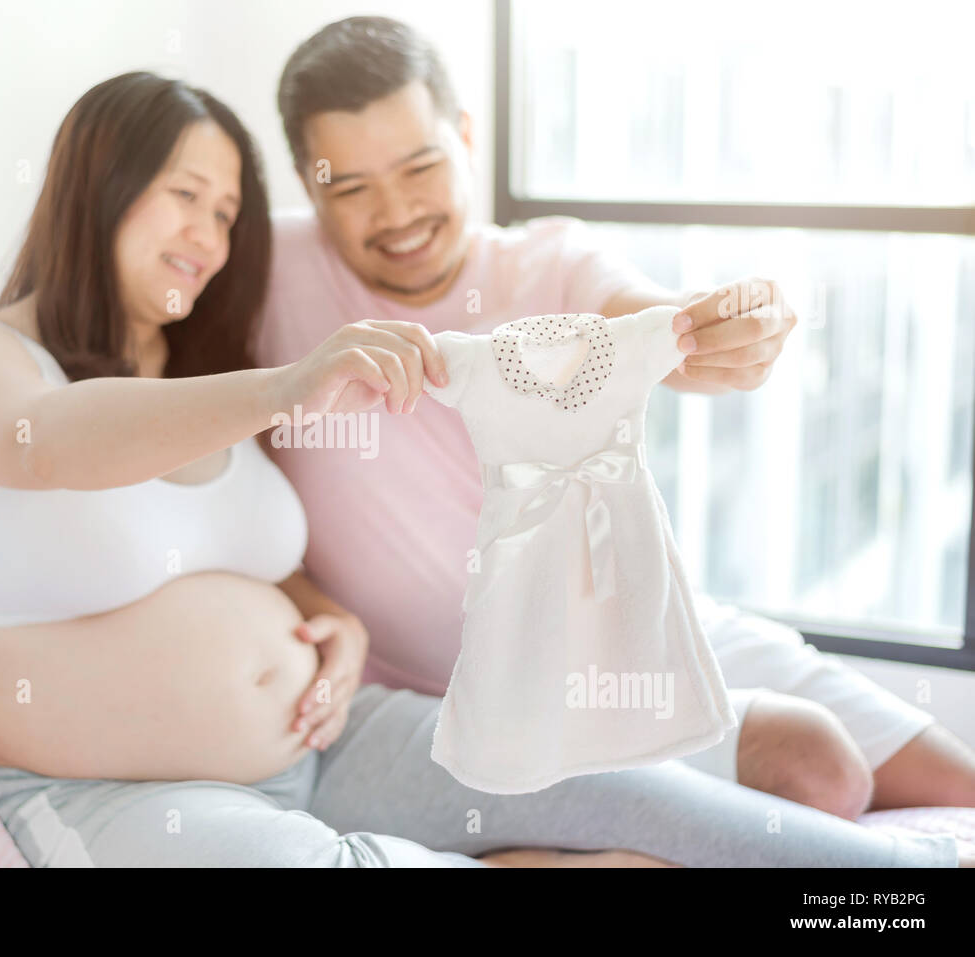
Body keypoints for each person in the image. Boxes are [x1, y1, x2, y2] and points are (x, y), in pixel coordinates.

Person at [0, 72, 963, 867]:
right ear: (93, 187)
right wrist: (291, 384)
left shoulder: (198, 358)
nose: (210, 236)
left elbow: (229, 563)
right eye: (185, 197)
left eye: (228, 213)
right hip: (127, 794)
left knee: (689, 821)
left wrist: (336, 621)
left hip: (337, 733)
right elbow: (50, 445)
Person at [255, 15, 975, 819]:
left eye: (419, 166)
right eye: (349, 186)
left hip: (644, 623)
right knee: (816, 767)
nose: (395, 213)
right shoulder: (264, 274)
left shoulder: (553, 262)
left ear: (464, 135)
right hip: (480, 685)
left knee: (959, 786)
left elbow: (669, 330)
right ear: (305, 179)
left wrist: (731, 331)